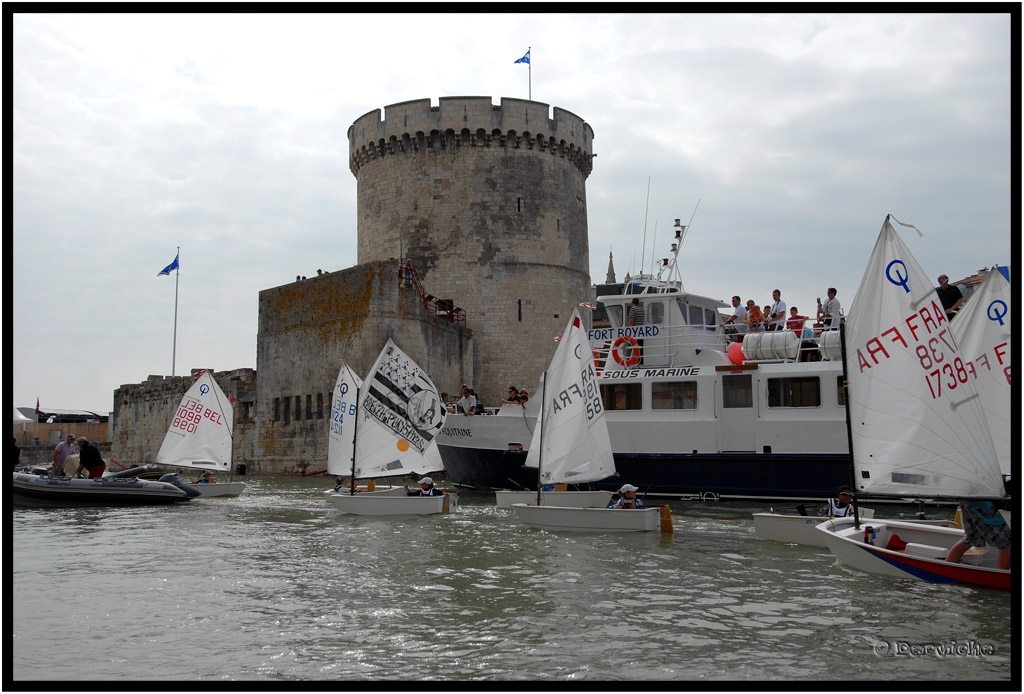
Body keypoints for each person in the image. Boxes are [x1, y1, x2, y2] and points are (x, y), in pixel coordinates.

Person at [945, 500, 1011, 570]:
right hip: (981, 500)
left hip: (969, 498)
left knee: (971, 537)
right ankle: (1001, 577)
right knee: (1007, 541)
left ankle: (946, 569)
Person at [627, 298, 646, 365]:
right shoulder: (642, 309)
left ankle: (631, 360)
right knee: (640, 346)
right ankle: (641, 360)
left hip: (635, 331)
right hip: (641, 330)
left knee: (632, 346)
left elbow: (632, 320)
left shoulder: (633, 309)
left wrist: (629, 328)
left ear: (632, 302)